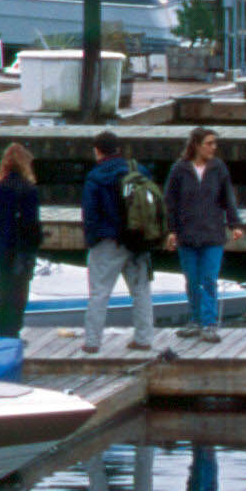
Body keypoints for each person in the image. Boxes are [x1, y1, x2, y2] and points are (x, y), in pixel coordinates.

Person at [80, 131, 156, 352]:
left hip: (107, 241)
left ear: (97, 151)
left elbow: (90, 213)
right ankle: (143, 339)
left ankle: (93, 343)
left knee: (100, 293)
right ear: (119, 149)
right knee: (141, 290)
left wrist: (91, 240)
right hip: (137, 241)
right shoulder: (139, 171)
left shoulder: (96, 176)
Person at [165, 127, 242, 337]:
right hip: (187, 235)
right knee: (192, 279)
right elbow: (170, 202)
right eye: (209, 143)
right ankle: (195, 320)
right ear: (196, 145)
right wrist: (171, 230)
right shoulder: (179, 169)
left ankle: (209, 323)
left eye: (215, 143)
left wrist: (235, 224)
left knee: (209, 279)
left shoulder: (219, 168)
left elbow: (228, 199)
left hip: (213, 234)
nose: (213, 148)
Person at [0, 142, 41, 340]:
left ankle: (0, 332)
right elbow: (32, 222)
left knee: (2, 292)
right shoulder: (29, 190)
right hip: (21, 249)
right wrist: (36, 242)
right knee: (19, 294)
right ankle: (13, 332)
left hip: (0, 249)